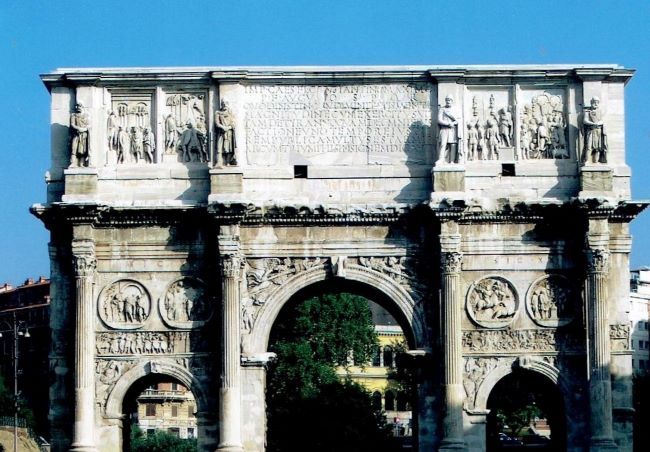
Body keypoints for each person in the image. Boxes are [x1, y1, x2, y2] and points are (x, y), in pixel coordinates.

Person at [582, 96, 607, 163]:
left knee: (598, 147)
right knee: (589, 146)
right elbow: (585, 120)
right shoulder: (587, 112)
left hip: (598, 130)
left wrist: (598, 123)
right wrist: (592, 123)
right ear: (591, 102)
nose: (596, 104)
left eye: (597, 102)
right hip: (591, 130)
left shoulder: (600, 112)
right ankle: (587, 160)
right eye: (594, 102)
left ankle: (596, 161)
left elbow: (602, 121)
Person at [436, 95, 459, 164]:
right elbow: (439, 120)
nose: (448, 101)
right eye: (447, 100)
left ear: (452, 101)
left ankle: (452, 161)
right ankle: (441, 159)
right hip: (444, 129)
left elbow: (458, 120)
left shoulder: (455, 110)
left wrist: (454, 123)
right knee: (443, 144)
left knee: (453, 145)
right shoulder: (442, 109)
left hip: (452, 130)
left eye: (449, 100)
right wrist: (448, 124)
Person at [215, 100, 237, 166]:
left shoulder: (231, 113)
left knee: (229, 148)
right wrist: (223, 127)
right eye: (223, 103)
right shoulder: (218, 113)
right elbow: (217, 123)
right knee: (220, 147)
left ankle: (228, 162)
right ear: (221, 104)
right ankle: (219, 162)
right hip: (221, 133)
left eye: (226, 103)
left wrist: (229, 127)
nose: (225, 104)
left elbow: (234, 123)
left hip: (229, 132)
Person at [70, 102, 91, 167]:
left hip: (84, 134)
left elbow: (89, 125)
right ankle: (73, 163)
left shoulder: (86, 116)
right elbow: (72, 124)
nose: (79, 107)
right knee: (74, 148)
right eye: (77, 106)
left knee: (83, 149)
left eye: (80, 106)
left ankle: (82, 163)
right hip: (77, 134)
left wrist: (84, 129)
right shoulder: (73, 115)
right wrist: (78, 128)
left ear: (83, 107)